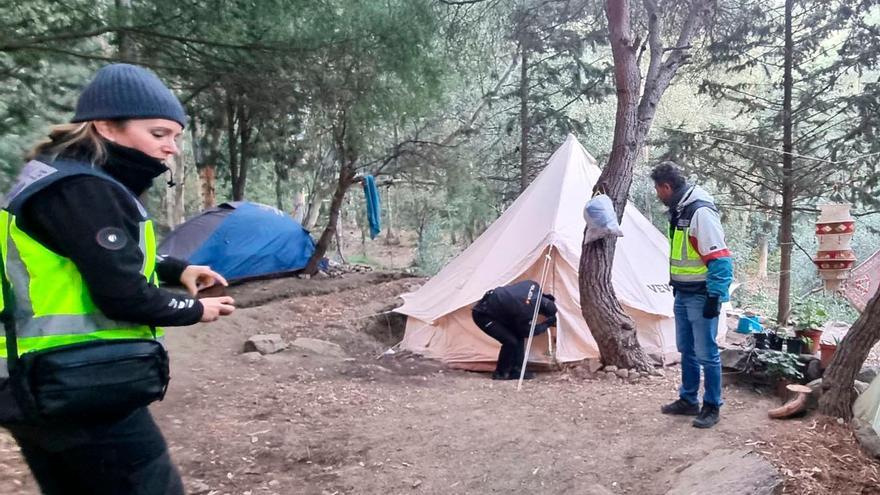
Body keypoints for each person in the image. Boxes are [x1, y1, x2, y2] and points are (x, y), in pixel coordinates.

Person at [0, 64, 236, 494]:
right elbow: (124, 296)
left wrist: (175, 268)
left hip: (32, 382)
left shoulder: (52, 176)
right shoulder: (84, 190)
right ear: (107, 126)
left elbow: (86, 254)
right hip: (79, 383)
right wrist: (197, 309)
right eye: (159, 134)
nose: (171, 149)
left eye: (176, 137)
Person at [651, 161, 733, 429]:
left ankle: (712, 406)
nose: (656, 194)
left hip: (700, 296)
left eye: (657, 189)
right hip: (683, 294)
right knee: (686, 349)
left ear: (667, 186)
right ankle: (688, 400)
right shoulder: (680, 211)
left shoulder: (700, 212)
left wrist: (714, 297)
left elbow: (720, 259)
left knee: (707, 353)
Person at [471, 280, 557, 380]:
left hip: (497, 308)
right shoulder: (526, 311)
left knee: (518, 335)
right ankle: (500, 373)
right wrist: (546, 324)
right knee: (510, 341)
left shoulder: (534, 285)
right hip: (483, 315)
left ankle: (517, 371)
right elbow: (528, 332)